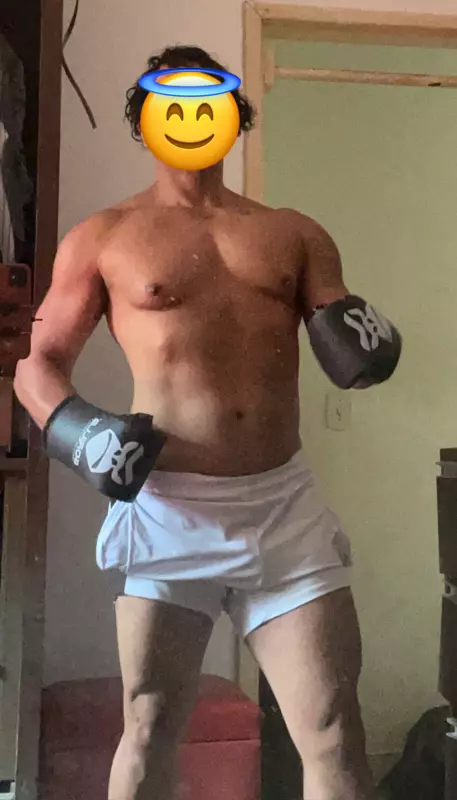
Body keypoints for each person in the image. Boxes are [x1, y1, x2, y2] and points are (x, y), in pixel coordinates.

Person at [14, 45, 401, 800]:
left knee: (332, 729)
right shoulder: (104, 236)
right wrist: (80, 433)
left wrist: (366, 340)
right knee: (150, 724)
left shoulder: (293, 232)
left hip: (282, 510)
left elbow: (343, 332)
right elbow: (37, 363)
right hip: (168, 511)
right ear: (145, 121)